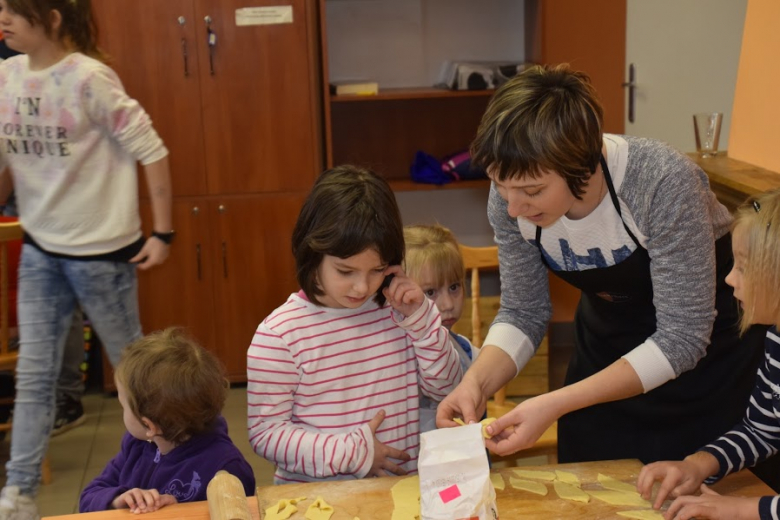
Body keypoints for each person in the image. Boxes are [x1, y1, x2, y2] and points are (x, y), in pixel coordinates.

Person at [436, 64, 765, 465]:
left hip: (709, 364)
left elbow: (683, 338)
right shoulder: (513, 184)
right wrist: (476, 381)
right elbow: (524, 310)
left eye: (532, 192)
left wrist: (555, 403)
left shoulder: (659, 183)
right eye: (502, 189)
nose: (513, 207)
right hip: (607, 344)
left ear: (582, 166)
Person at [0, 0, 174, 517]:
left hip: (102, 255)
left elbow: (151, 148)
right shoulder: (7, 76)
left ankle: (171, 468)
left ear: (52, 17)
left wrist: (163, 230)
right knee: (34, 374)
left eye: (15, 9)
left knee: (136, 373)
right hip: (40, 250)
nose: (2, 18)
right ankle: (19, 495)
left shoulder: (90, 79)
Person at [247, 165, 463, 484]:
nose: (362, 288)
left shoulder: (401, 312)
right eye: (345, 272)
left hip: (401, 492)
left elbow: (447, 388)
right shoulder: (279, 335)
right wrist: (352, 453)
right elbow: (266, 434)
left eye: (376, 270)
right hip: (319, 500)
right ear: (311, 251)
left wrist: (420, 321)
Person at [635, 190, 780, 520]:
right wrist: (698, 464)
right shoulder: (776, 338)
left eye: (743, 267)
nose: (729, 279)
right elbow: (762, 430)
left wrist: (746, 509)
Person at [79, 328, 256, 513]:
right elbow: (89, 497)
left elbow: (238, 513)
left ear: (148, 425)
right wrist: (117, 499)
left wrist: (179, 512)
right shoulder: (136, 445)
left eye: (123, 405)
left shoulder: (226, 468)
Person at [403, 224, 476, 432]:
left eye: (454, 287)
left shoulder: (463, 348)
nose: (447, 305)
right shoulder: (394, 354)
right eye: (430, 292)